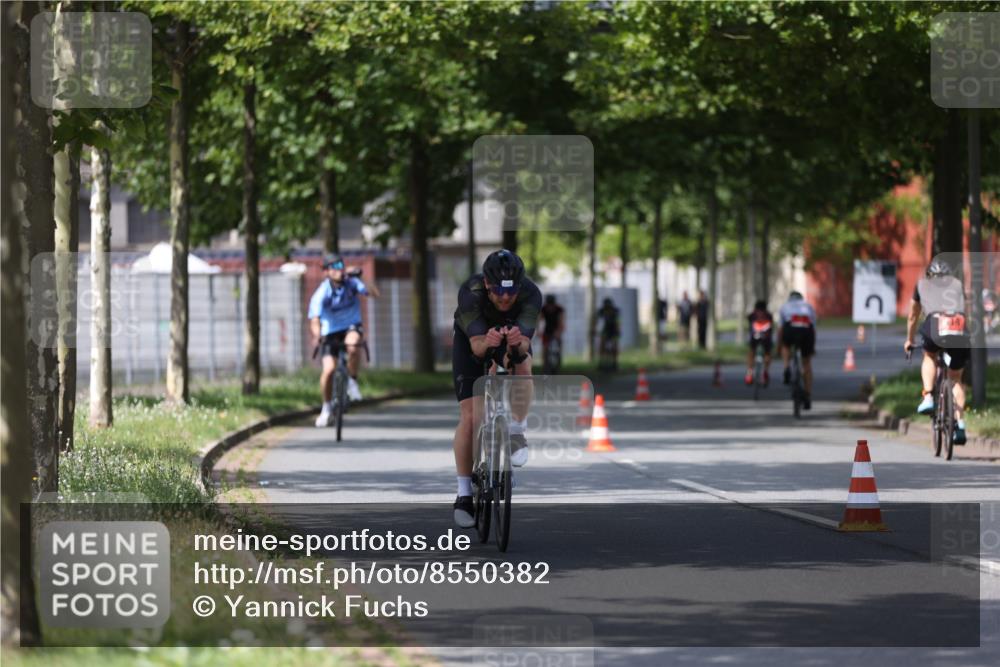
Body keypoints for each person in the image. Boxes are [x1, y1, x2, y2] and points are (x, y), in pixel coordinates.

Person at [451, 249, 542, 527]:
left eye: (511, 292)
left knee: (522, 365)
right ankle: (464, 493)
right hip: (473, 340)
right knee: (472, 417)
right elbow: (478, 348)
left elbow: (523, 347)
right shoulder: (471, 292)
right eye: (498, 291)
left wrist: (516, 344)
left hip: (510, 337)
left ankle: (516, 432)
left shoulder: (531, 294)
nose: (505, 298)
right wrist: (487, 343)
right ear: (487, 284)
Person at [309, 253, 380, 428]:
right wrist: (317, 335)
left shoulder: (352, 283)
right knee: (329, 370)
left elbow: (374, 293)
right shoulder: (322, 292)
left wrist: (362, 277)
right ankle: (326, 408)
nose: (339, 270)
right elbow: (315, 319)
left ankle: (352, 381)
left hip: (351, 326)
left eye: (341, 266)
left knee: (353, 345)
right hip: (330, 331)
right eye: (334, 267)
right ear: (326, 272)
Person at [904, 259, 969, 445]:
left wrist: (909, 340)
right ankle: (960, 425)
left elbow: (912, 316)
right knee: (956, 379)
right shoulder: (957, 285)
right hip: (959, 326)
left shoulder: (921, 285)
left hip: (935, 324)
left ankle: (928, 397)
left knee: (930, 356)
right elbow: (966, 310)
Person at [777, 290, 817, 410]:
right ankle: (808, 395)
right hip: (806, 328)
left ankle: (786, 367)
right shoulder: (808, 306)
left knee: (786, 346)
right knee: (806, 363)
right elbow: (813, 328)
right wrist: (812, 347)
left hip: (791, 327)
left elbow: (780, 329)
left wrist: (779, 346)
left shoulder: (784, 306)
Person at [744, 299, 774, 386]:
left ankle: (749, 373)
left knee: (751, 352)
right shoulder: (769, 315)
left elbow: (749, 321)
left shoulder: (753, 315)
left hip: (755, 338)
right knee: (767, 353)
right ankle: (765, 372)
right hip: (766, 339)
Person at [539, 294, 565, 370]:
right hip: (546, 331)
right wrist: (539, 331)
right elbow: (540, 320)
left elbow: (561, 321)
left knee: (558, 347)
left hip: (556, 330)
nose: (550, 307)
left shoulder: (559, 309)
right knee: (545, 348)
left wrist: (559, 332)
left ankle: (557, 365)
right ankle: (545, 365)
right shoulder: (543, 309)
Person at [596, 297, 620, 369]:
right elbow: (597, 321)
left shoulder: (615, 311)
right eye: (606, 308)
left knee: (615, 345)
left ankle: (615, 362)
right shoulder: (601, 311)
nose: (607, 310)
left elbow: (618, 322)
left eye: (608, 308)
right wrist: (595, 330)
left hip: (614, 330)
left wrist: (618, 331)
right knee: (602, 344)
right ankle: (601, 362)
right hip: (605, 330)